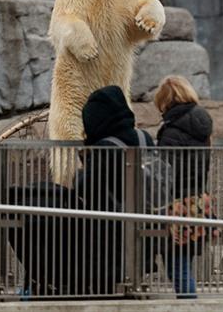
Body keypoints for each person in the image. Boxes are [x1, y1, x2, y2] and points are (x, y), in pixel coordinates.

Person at [81, 85, 154, 296]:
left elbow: (87, 187)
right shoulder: (144, 138)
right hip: (146, 221)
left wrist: (83, 167)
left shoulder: (104, 147)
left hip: (110, 233)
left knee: (107, 290)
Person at [154, 75, 214, 299]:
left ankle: (190, 305)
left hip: (177, 203)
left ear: (166, 100)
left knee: (176, 264)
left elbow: (166, 172)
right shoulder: (203, 124)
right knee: (183, 259)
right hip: (198, 199)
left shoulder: (172, 131)